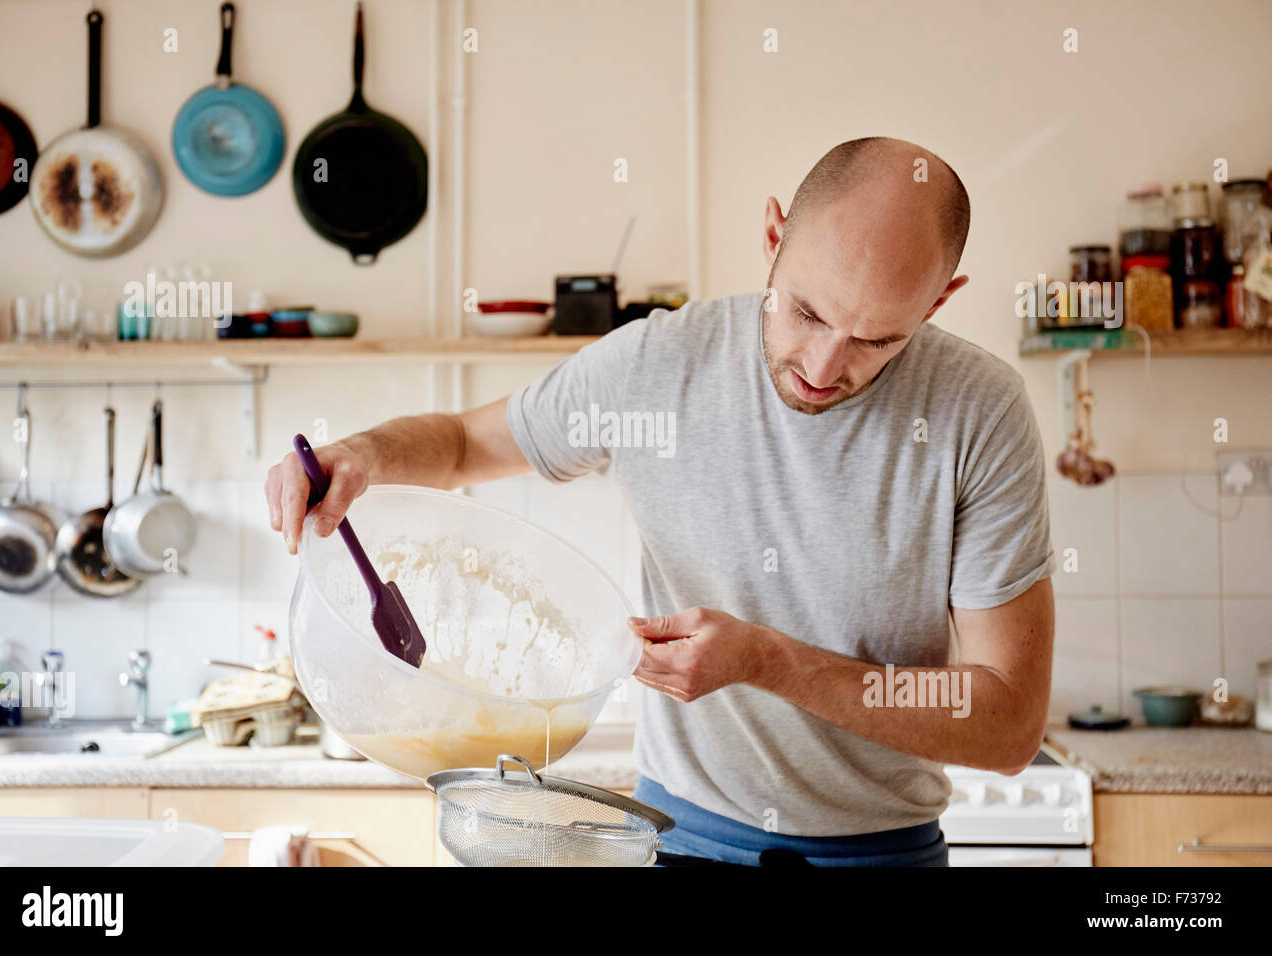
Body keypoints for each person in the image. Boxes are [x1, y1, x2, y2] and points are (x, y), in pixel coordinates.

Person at [266, 136, 1055, 867]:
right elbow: (466, 444)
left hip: (885, 856)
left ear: (939, 301)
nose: (822, 364)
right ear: (774, 235)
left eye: (877, 339)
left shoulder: (979, 413)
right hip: (680, 845)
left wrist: (769, 662)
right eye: (808, 312)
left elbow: (1010, 722)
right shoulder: (658, 366)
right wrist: (362, 454)